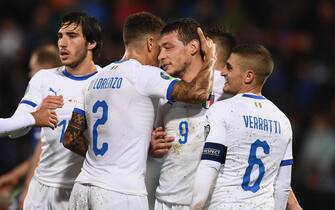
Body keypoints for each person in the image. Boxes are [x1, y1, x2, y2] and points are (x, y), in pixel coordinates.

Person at [62, 11, 215, 210]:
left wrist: (109, 157)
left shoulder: (94, 80)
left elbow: (71, 138)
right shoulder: (144, 74)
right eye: (160, 48)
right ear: (150, 43)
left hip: (83, 187)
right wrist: (211, 56)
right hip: (120, 192)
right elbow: (199, 93)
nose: (161, 56)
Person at [5, 11, 103, 210]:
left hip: (83, 191)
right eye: (60, 36)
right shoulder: (43, 78)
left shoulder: (106, 81)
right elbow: (14, 130)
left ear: (91, 43)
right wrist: (34, 117)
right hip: (41, 191)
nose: (62, 43)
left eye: (72, 36)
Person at [146, 20, 236, 210]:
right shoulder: (164, 91)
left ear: (194, 47)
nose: (160, 56)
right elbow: (153, 143)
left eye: (168, 48)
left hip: (210, 202)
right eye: (160, 49)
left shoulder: (227, 88)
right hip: (166, 199)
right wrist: (151, 146)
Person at [191, 44, 293, 210]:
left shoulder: (223, 110)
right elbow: (282, 185)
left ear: (248, 76)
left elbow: (210, 165)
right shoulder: (283, 121)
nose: (223, 72)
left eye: (229, 67)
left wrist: (196, 206)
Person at [0, 44, 62, 209]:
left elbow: (44, 151)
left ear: (46, 69)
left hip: (52, 188)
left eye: (32, 68)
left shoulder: (53, 104)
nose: (29, 74)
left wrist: (27, 187)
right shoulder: (43, 106)